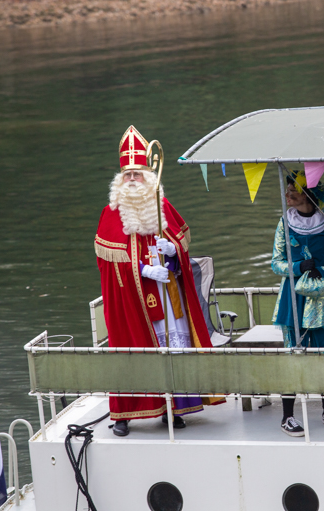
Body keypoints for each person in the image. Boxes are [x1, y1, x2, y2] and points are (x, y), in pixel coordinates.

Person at [94, 125, 221, 437]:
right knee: (132, 353)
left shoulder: (162, 207)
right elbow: (108, 263)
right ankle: (124, 413)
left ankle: (173, 407)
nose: (134, 180)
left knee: (173, 354)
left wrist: (173, 253)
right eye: (129, 175)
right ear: (120, 180)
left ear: (149, 176)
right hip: (132, 302)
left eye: (139, 174)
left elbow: (182, 245)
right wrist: (142, 270)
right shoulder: (111, 213)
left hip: (168, 295)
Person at [271, 171, 324, 437]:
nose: (287, 195)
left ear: (308, 193)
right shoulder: (284, 223)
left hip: (323, 298)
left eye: (292, 190)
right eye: (287, 190)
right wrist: (298, 266)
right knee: (292, 355)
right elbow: (276, 263)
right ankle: (287, 416)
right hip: (293, 297)